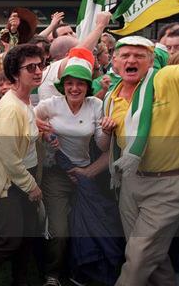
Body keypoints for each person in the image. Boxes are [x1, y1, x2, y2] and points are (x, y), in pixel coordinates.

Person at [35, 47, 123, 286]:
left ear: (88, 86)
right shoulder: (50, 104)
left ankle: (79, 269)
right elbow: (28, 119)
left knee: (86, 225)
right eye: (70, 83)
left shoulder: (95, 105)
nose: (75, 88)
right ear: (63, 85)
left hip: (86, 174)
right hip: (57, 174)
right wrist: (42, 131)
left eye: (80, 84)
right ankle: (52, 274)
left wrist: (106, 132)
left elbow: (103, 147)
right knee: (60, 230)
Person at [102, 36, 179, 286]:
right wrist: (105, 132)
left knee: (138, 257)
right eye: (125, 55)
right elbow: (107, 146)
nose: (132, 60)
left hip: (167, 185)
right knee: (151, 256)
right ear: (114, 61)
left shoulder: (165, 79)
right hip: (130, 183)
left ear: (152, 60)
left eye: (139, 55)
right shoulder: (110, 98)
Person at [0, 44, 45, 286]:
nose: (38, 71)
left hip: (24, 177)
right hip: (11, 182)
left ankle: (20, 280)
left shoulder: (25, 101)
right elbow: (8, 156)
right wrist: (31, 186)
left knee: (26, 236)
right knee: (10, 239)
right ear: (15, 73)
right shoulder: (11, 107)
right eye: (31, 67)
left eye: (40, 65)